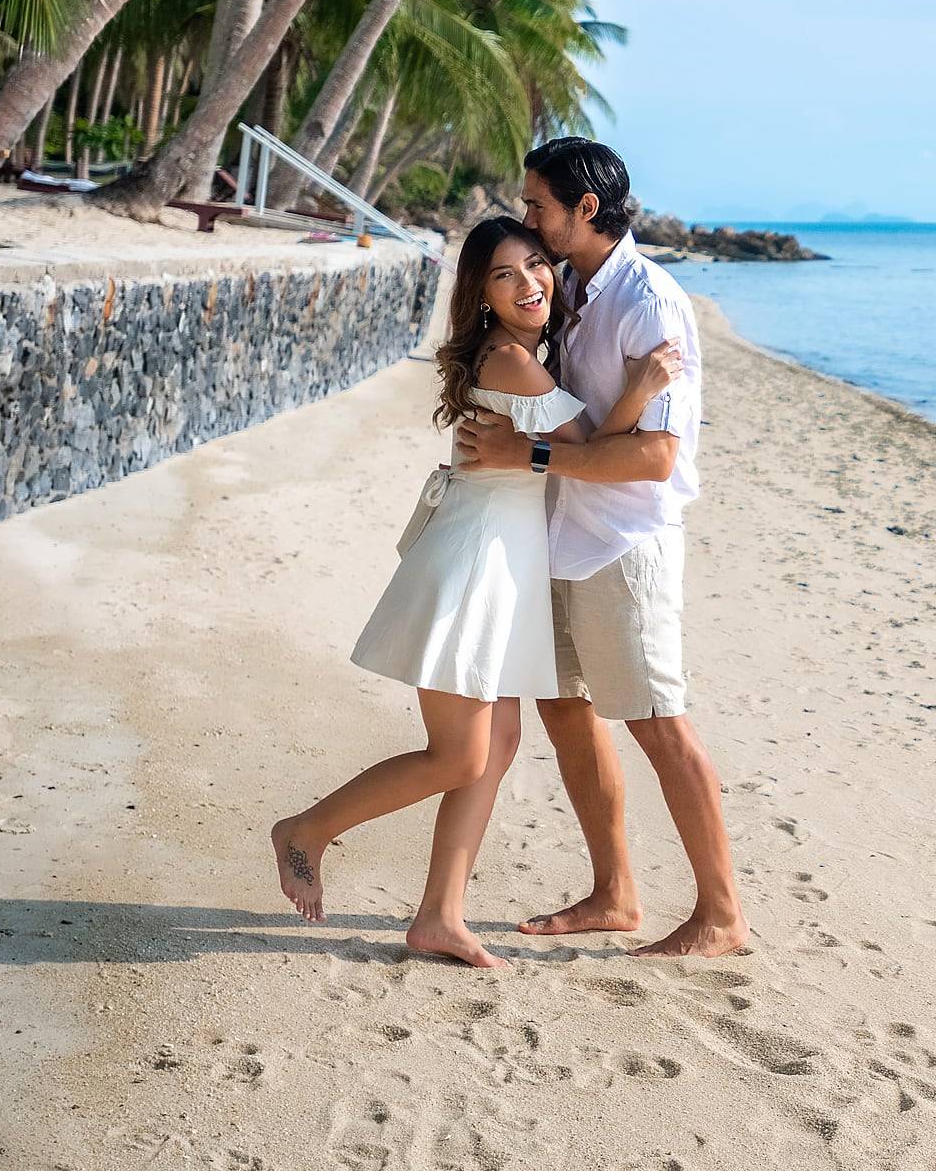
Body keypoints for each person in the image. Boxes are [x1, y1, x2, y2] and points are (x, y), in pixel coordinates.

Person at [269, 216, 678, 967]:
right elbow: (590, 451)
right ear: (481, 295)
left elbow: (556, 450)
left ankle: (439, 916)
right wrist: (643, 388)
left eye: (537, 265)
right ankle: (307, 829)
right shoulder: (512, 361)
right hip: (474, 564)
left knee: (497, 747)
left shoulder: (516, 353)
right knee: (459, 757)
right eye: (504, 275)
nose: (530, 284)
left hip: (500, 564)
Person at [455, 138, 748, 959]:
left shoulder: (649, 303)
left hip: (625, 543)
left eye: (537, 204)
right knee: (565, 710)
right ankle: (615, 893)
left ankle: (722, 915)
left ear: (585, 209)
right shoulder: (572, 285)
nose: (526, 216)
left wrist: (527, 457)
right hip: (560, 534)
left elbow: (654, 458)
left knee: (659, 724)